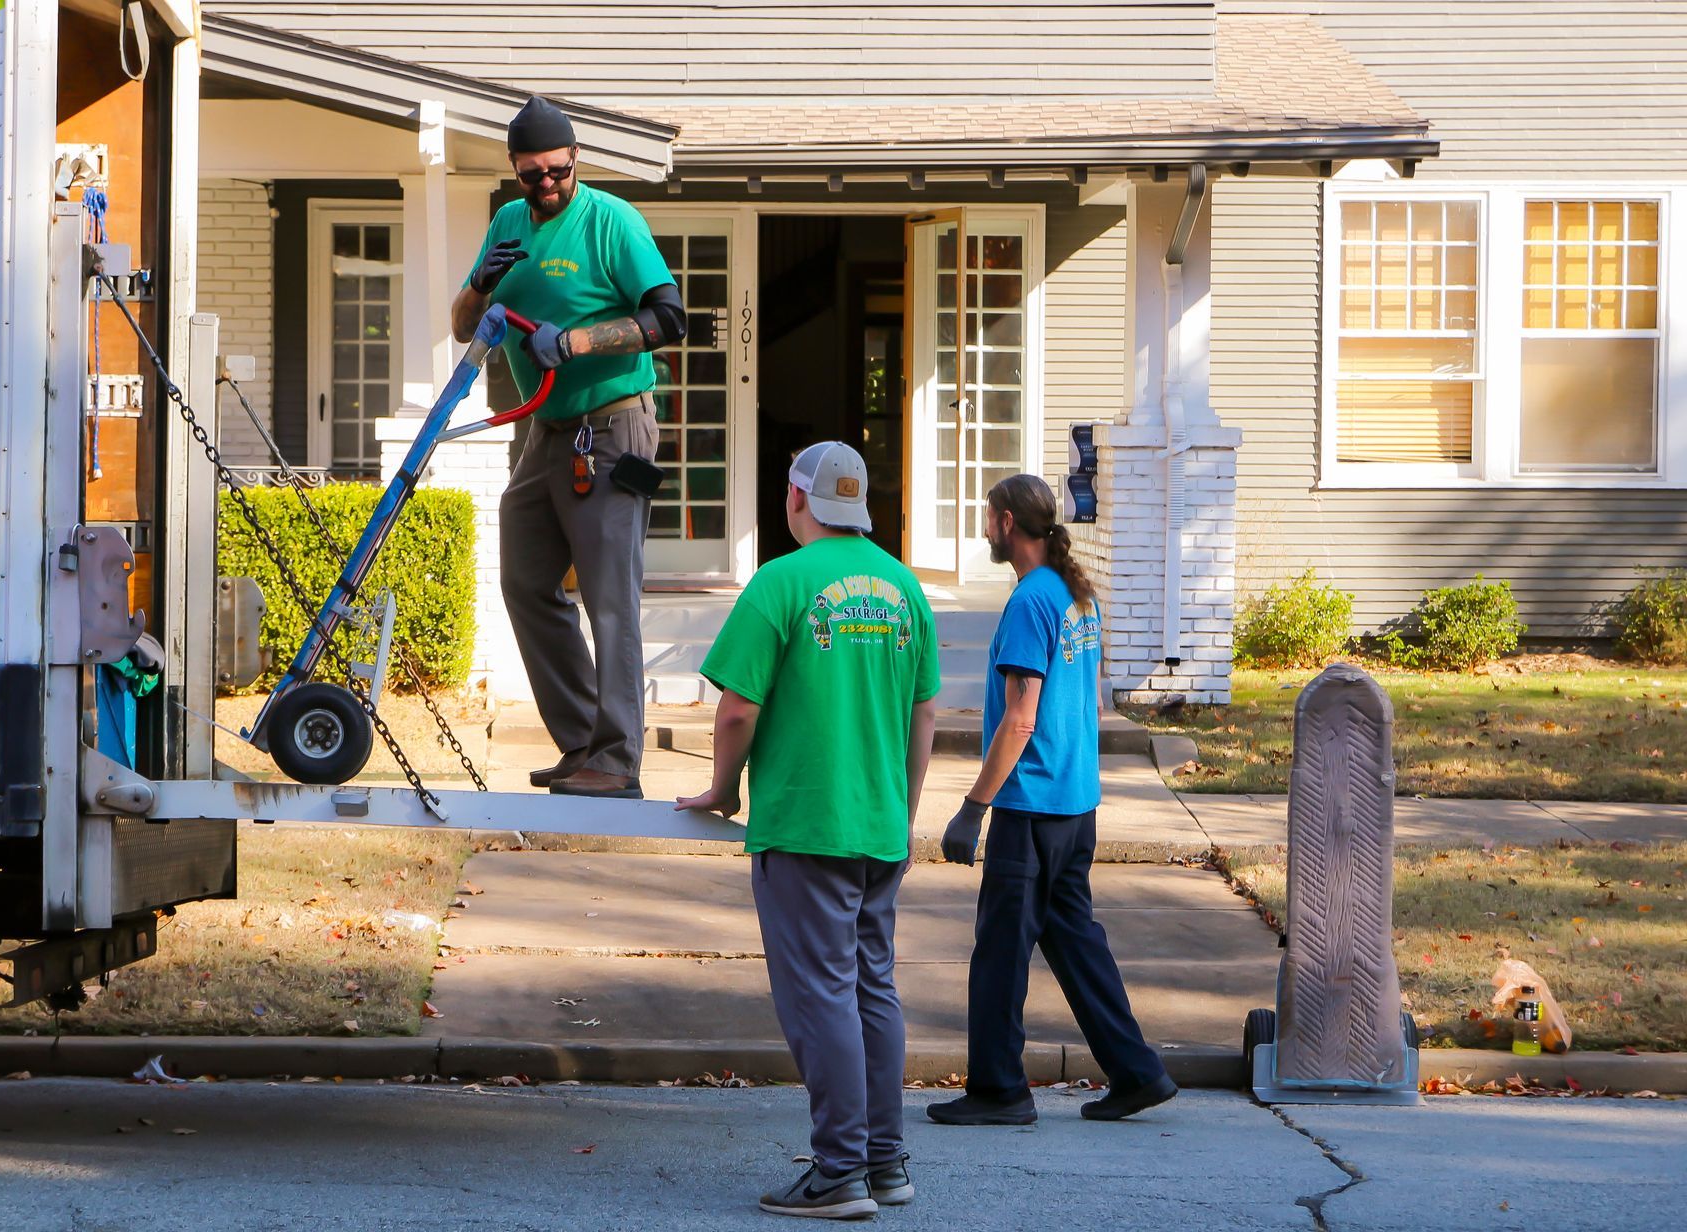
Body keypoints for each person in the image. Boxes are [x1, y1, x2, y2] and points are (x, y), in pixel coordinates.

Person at [677, 442, 939, 1219]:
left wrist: (723, 790)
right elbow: (925, 714)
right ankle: (885, 1163)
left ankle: (837, 1172)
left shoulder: (779, 583)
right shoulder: (905, 588)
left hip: (805, 823)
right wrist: (905, 809)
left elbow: (735, 708)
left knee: (821, 996)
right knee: (872, 990)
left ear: (798, 502)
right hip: (879, 824)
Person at [451, 95, 688, 800]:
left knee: (610, 600)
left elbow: (669, 317)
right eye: (532, 174)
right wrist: (481, 282)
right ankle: (583, 742)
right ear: (515, 171)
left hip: (610, 429)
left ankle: (617, 762)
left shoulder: (612, 221)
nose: (546, 183)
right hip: (544, 432)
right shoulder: (507, 221)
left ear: (575, 157)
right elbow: (465, 322)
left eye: (557, 169)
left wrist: (579, 340)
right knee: (524, 581)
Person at [927, 473, 1178, 1126]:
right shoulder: (1076, 595)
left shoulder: (1029, 603)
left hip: (1030, 806)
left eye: (988, 518)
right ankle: (1138, 1070)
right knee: (1074, 941)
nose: (985, 529)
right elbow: (1088, 699)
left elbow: (1021, 718)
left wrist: (973, 808)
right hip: (1075, 802)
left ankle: (998, 1091)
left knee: (1001, 951)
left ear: (1009, 522)